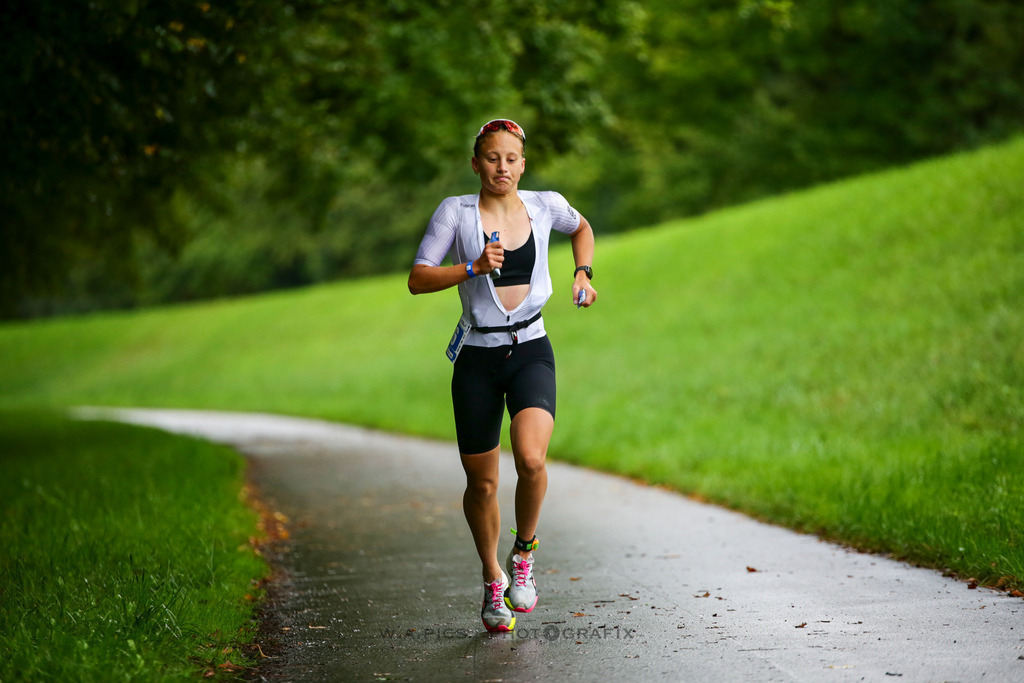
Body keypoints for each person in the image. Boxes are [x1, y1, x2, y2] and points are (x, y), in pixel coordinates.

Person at [407, 119, 596, 633]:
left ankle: (523, 553)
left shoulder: (545, 205)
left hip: (531, 349)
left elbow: (582, 227)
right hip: (477, 358)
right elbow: (418, 278)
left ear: (523, 164)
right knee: (483, 481)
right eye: (492, 158)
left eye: (511, 158)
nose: (502, 167)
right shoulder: (456, 213)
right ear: (476, 164)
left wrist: (583, 273)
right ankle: (492, 578)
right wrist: (470, 268)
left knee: (531, 458)